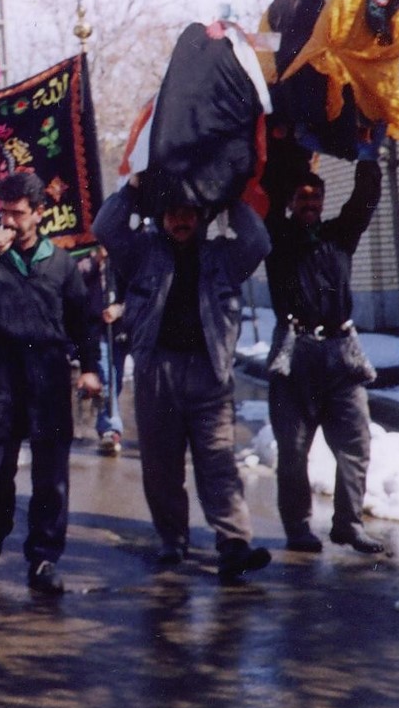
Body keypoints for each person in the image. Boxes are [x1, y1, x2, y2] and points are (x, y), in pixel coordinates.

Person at [93, 176, 274, 584]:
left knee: (218, 462)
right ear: (162, 216)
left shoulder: (223, 256)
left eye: (189, 212)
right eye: (173, 212)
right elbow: (105, 227)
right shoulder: (142, 252)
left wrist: (229, 193)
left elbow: (259, 240)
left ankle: (233, 544)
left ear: (201, 216)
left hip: (209, 372)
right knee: (161, 464)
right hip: (158, 369)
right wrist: (133, 190)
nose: (180, 219)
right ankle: (172, 538)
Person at [0, 172, 102, 595]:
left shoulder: (61, 264)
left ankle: (43, 557)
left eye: (18, 214)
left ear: (39, 214)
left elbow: (83, 320)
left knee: (50, 477)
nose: (8, 221)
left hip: (46, 377)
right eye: (3, 212)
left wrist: (89, 367)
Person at [263, 158, 386, 555]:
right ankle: (298, 527)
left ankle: (349, 524)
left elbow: (364, 201)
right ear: (291, 202)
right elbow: (264, 201)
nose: (310, 203)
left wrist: (368, 156)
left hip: (340, 355)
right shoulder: (276, 239)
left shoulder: (339, 236)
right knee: (294, 448)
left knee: (356, 441)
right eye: (302, 197)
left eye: (316, 197)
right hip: (294, 354)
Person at [81, 246, 129, 457]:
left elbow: (141, 292)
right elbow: (75, 276)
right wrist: (96, 261)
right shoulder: (88, 258)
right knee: (107, 378)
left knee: (115, 380)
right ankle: (111, 429)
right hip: (98, 330)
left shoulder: (128, 258)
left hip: (124, 330)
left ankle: (107, 417)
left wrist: (120, 309)